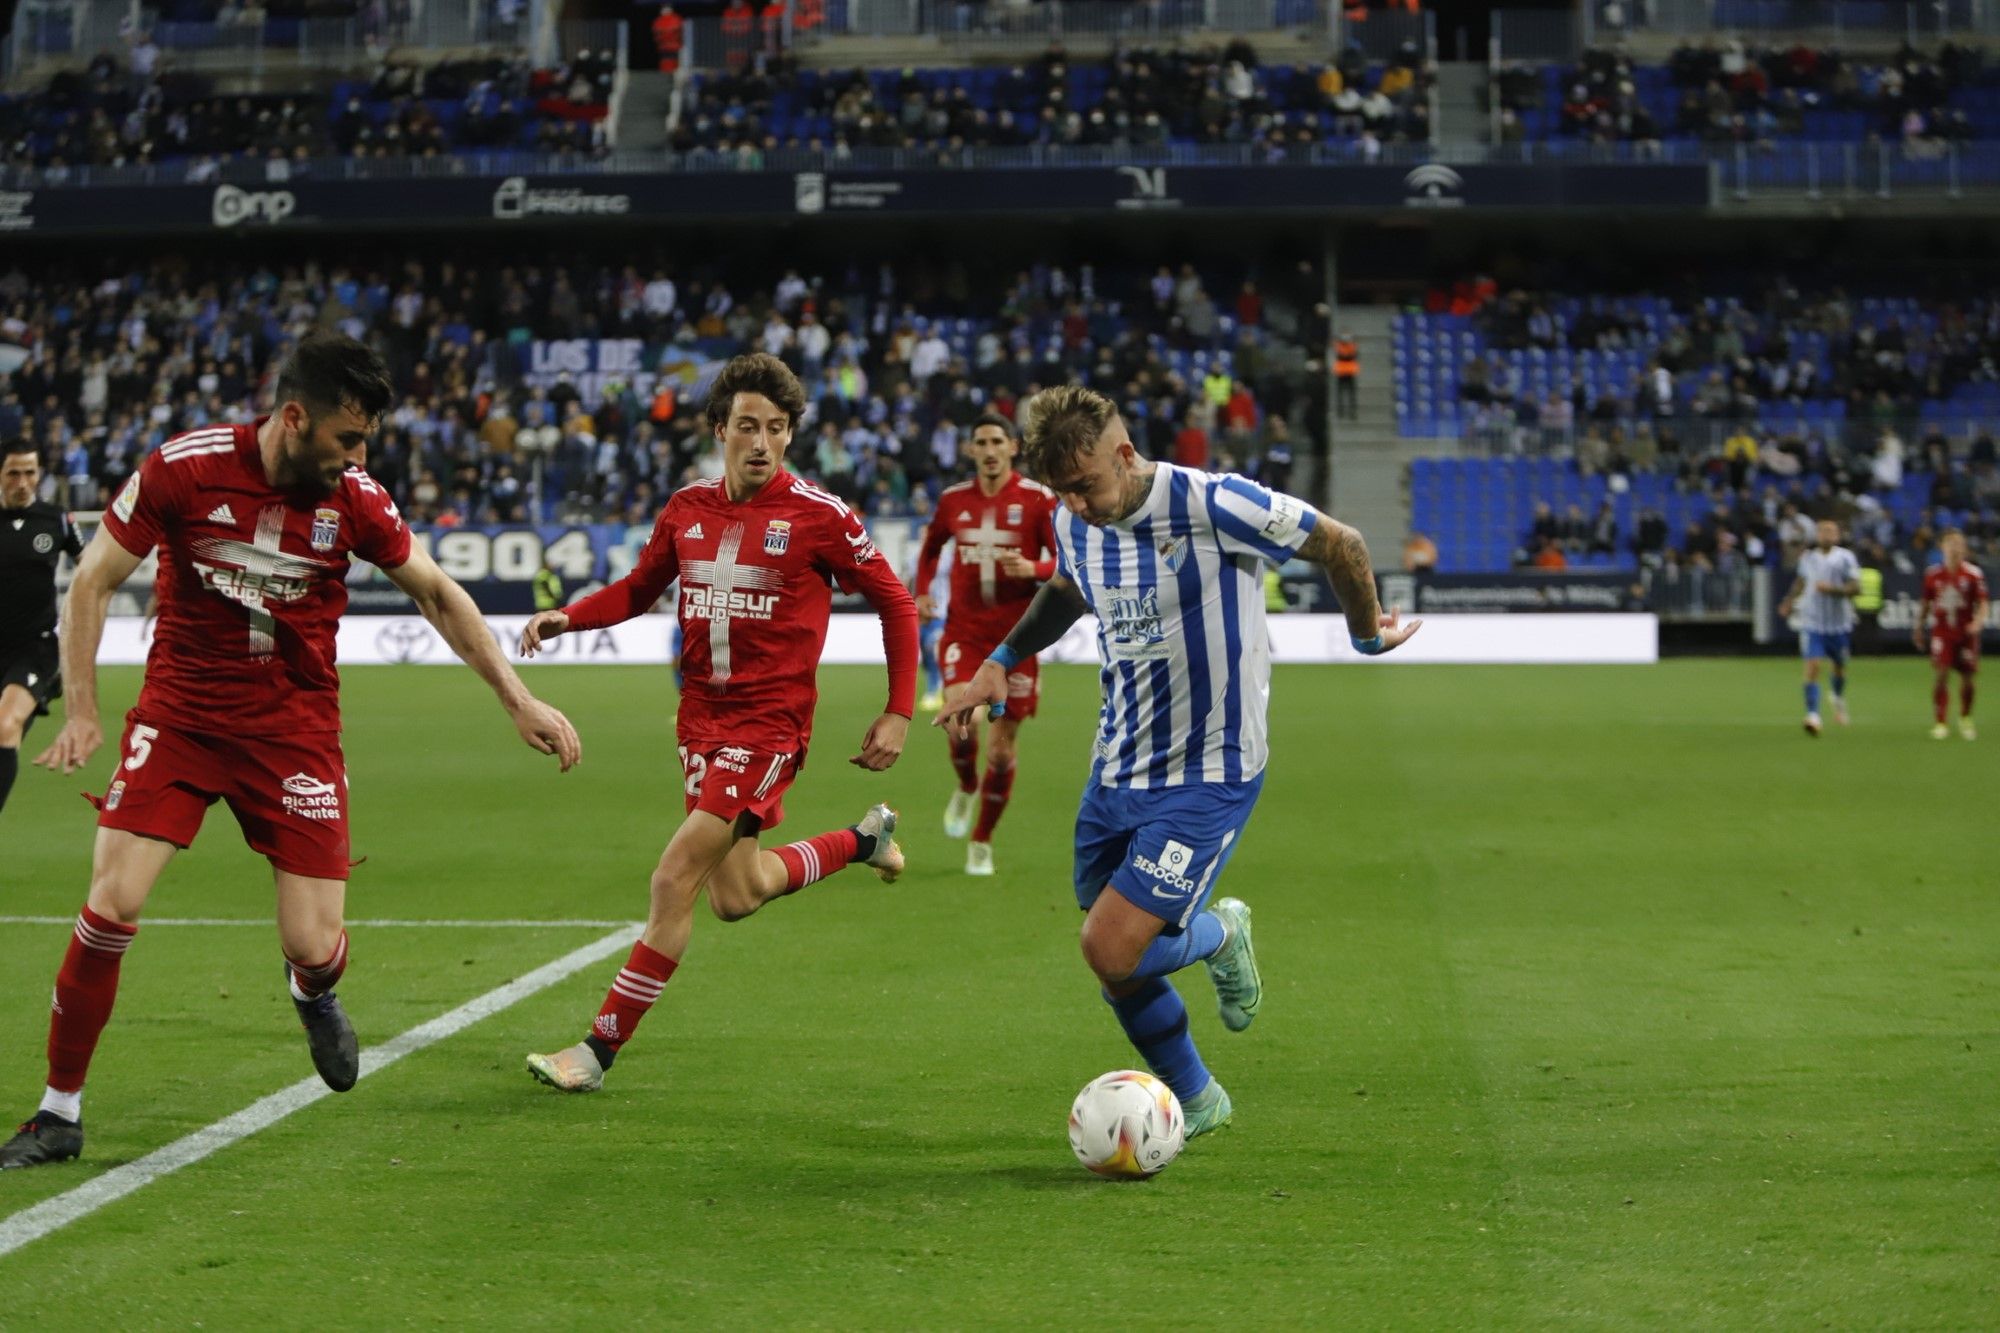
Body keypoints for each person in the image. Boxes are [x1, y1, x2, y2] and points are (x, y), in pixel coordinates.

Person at [2, 333, 582, 1170]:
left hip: (294, 732)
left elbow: (438, 593)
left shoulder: (357, 498)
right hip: (183, 716)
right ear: (295, 417)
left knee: (314, 942)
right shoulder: (183, 467)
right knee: (111, 900)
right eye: (349, 439)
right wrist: (85, 710)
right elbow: (91, 578)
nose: (359, 456)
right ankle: (58, 1111)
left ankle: (311, 988)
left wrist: (517, 696)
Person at [937, 385, 1419, 1141]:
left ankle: (1214, 977)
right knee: (1117, 957)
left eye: (1087, 485)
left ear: (1124, 456)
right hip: (1117, 764)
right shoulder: (1072, 517)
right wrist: (1001, 657)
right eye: (1062, 490)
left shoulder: (1212, 501)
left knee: (1109, 942)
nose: (1078, 505)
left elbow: (1343, 543)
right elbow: (1071, 586)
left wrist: (1364, 635)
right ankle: (1204, 1083)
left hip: (1211, 767)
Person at [520, 353, 918, 1093]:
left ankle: (595, 1051)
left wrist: (898, 709)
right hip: (700, 722)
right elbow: (640, 589)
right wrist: (567, 617)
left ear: (791, 435)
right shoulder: (687, 509)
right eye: (746, 426)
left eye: (775, 428)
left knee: (672, 880)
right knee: (738, 893)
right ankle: (865, 839)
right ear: (718, 430)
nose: (760, 441)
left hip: (771, 727)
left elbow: (896, 601)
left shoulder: (821, 517)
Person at [913, 413, 1059, 876]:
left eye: (998, 440)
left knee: (1002, 750)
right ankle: (966, 784)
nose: (990, 449)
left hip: (1019, 638)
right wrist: (921, 590)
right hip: (965, 632)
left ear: (1013, 447)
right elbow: (931, 546)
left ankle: (982, 839)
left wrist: (1033, 571)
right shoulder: (954, 500)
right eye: (981, 442)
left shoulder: (1038, 500)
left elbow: (1062, 560)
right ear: (971, 450)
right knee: (960, 719)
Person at [0, 441, 83, 819]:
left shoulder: (57, 520)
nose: (23, 482)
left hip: (35, 647)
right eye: (13, 473)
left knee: (5, 725)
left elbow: (91, 568)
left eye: (30, 472)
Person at [1778, 517, 1861, 737]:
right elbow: (1801, 581)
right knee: (1813, 666)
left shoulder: (1845, 558)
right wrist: (1789, 600)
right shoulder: (1808, 557)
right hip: (1813, 622)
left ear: (1838, 535)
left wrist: (1833, 589)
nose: (1827, 534)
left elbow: (1855, 588)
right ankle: (1813, 715)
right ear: (1817, 535)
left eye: (1831, 531)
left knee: (1840, 667)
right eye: (1823, 530)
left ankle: (1837, 696)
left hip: (1839, 624)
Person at [1916, 528, 1987, 740]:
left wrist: (1977, 623)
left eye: (1959, 543)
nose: (1955, 548)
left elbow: (1982, 603)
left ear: (1964, 548)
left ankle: (1965, 717)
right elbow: (1925, 603)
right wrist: (1918, 627)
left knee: (1967, 678)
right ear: (1942, 547)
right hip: (1942, 632)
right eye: (1950, 543)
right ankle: (1940, 721)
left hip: (1966, 632)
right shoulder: (1933, 575)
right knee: (1941, 674)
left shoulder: (1973, 574)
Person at [1332, 332, 1360, 421]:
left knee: (1351, 393)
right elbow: (1342, 355)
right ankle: (1341, 411)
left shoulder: (1352, 346)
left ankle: (1352, 411)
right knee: (1341, 393)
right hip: (1341, 372)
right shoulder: (1339, 346)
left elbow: (1352, 355)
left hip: (1350, 372)